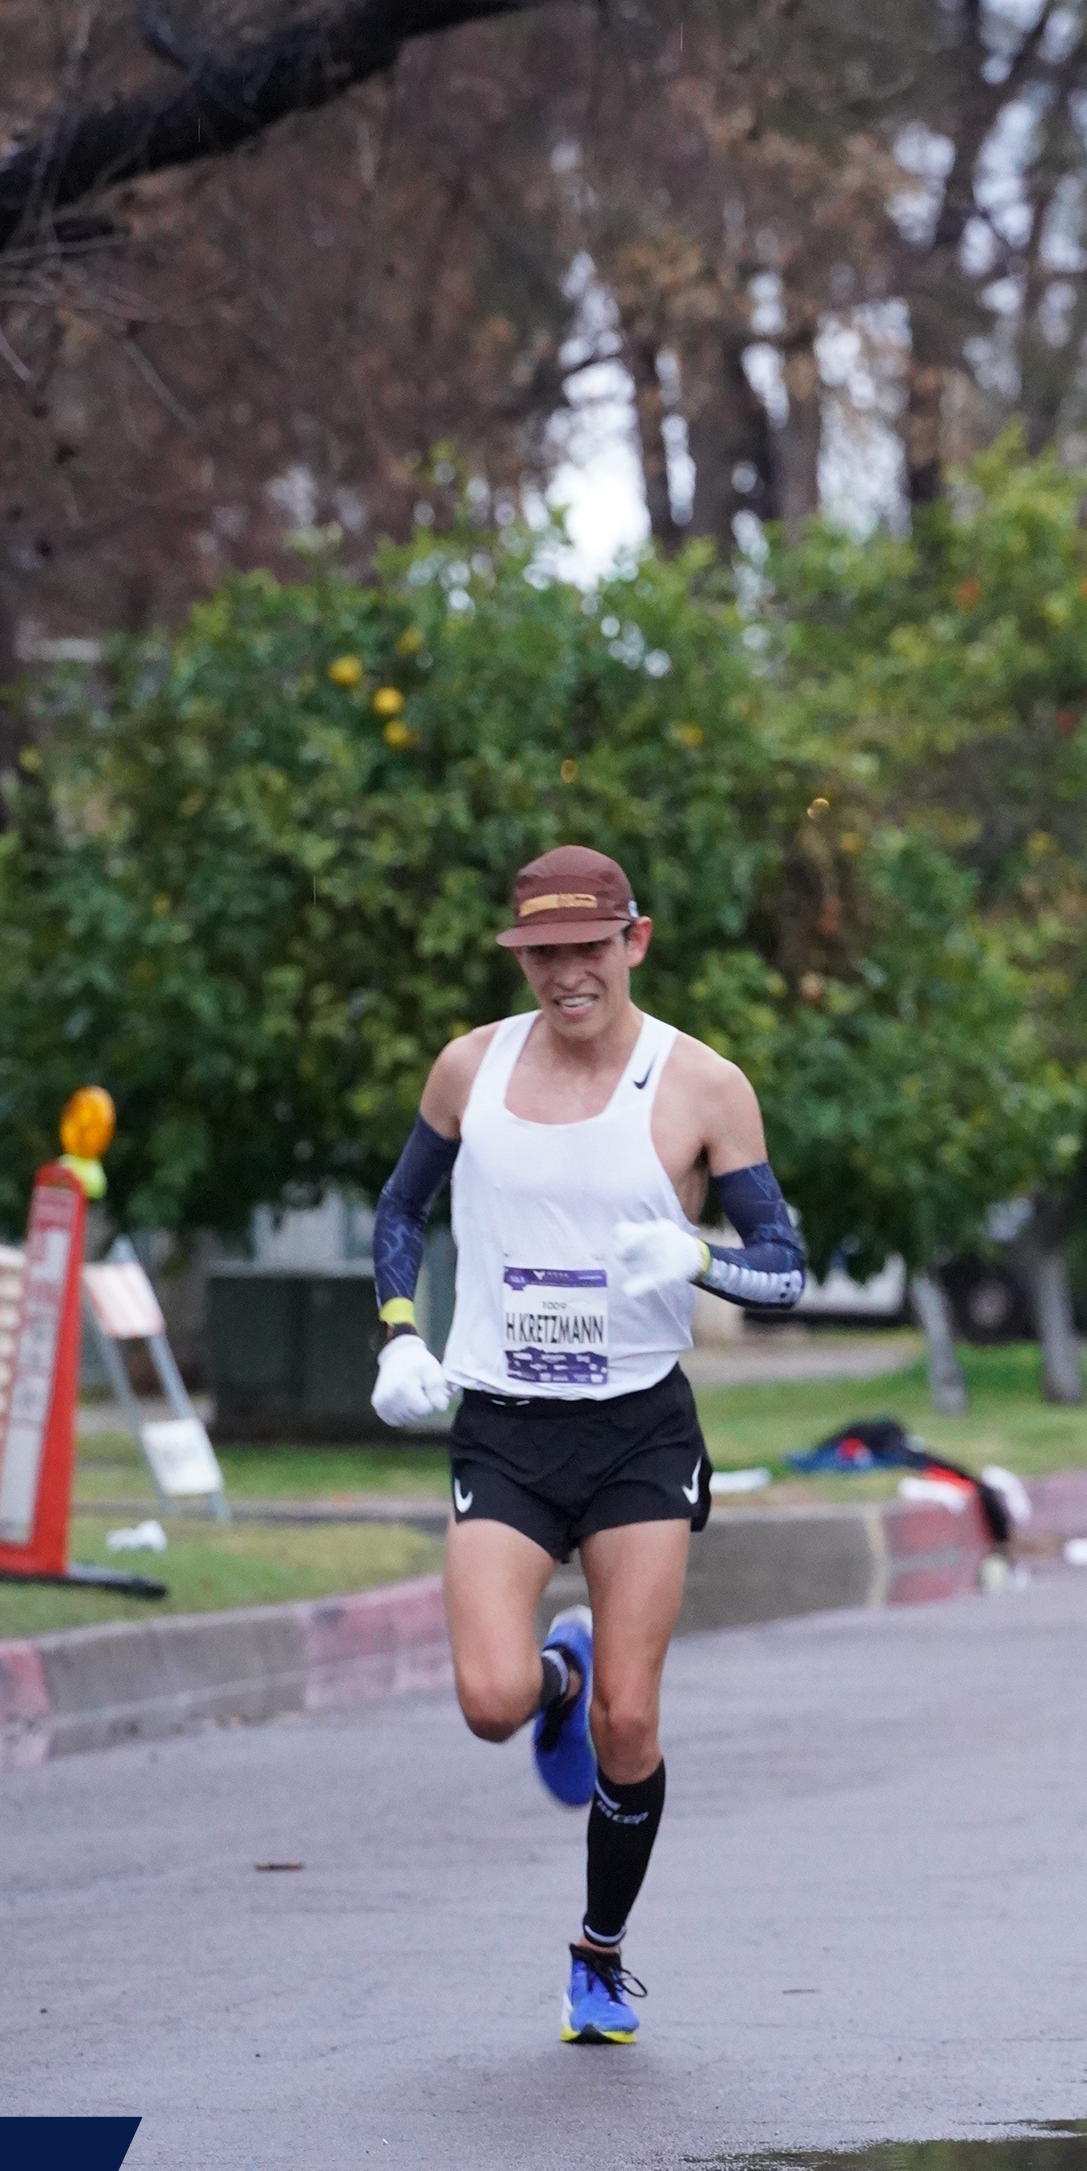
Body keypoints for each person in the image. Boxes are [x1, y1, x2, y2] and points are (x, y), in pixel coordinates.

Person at [369, 844, 805, 2044]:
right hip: (503, 1429)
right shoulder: (469, 1066)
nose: (567, 973)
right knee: (490, 1701)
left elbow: (785, 1266)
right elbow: (401, 1206)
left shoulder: (702, 1084)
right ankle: (553, 1672)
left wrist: (701, 1257)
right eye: (542, 952)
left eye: (589, 948)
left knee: (630, 1721)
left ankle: (597, 1955)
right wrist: (399, 1333)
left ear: (634, 942)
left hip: (636, 1433)